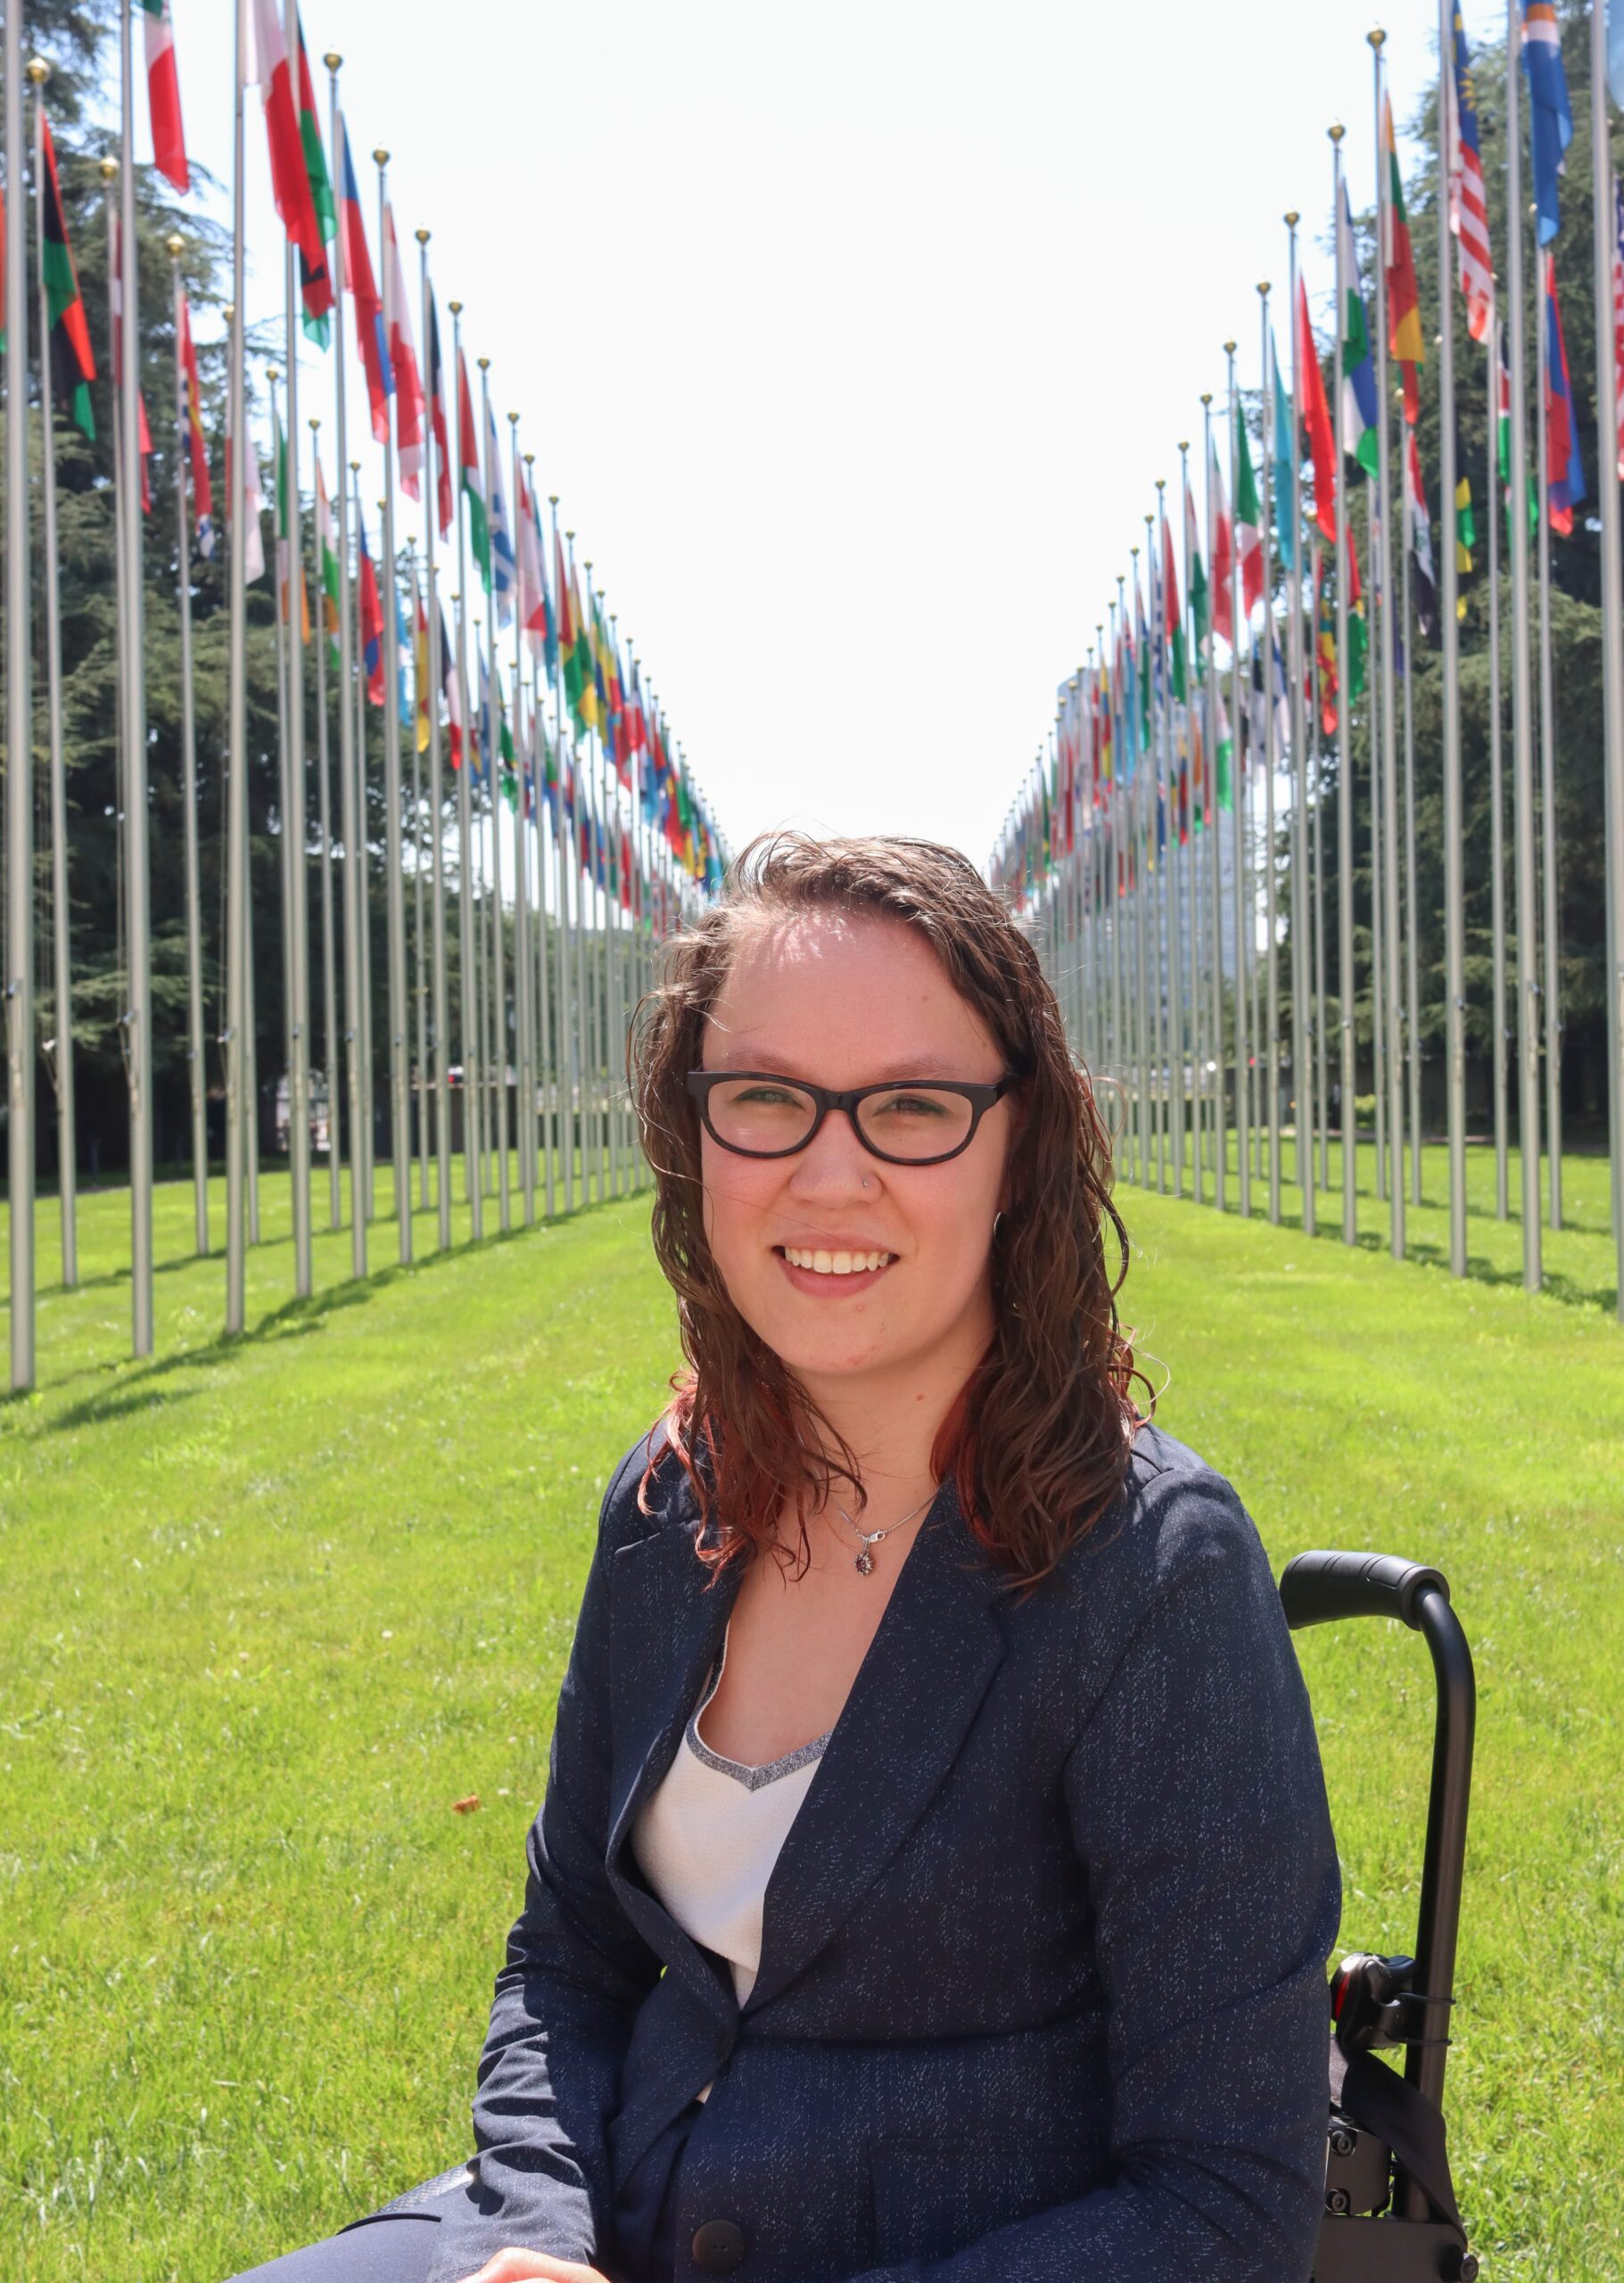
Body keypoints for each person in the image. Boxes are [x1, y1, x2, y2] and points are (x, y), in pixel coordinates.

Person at [232, 832, 1341, 2283]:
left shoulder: (1152, 1574)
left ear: (1019, 1148)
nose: (830, 1174)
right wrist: (535, 2234)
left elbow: (1224, 2199)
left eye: (911, 1107)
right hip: (594, 2224)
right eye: (765, 1100)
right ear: (692, 1137)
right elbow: (569, 1955)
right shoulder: (666, 1502)